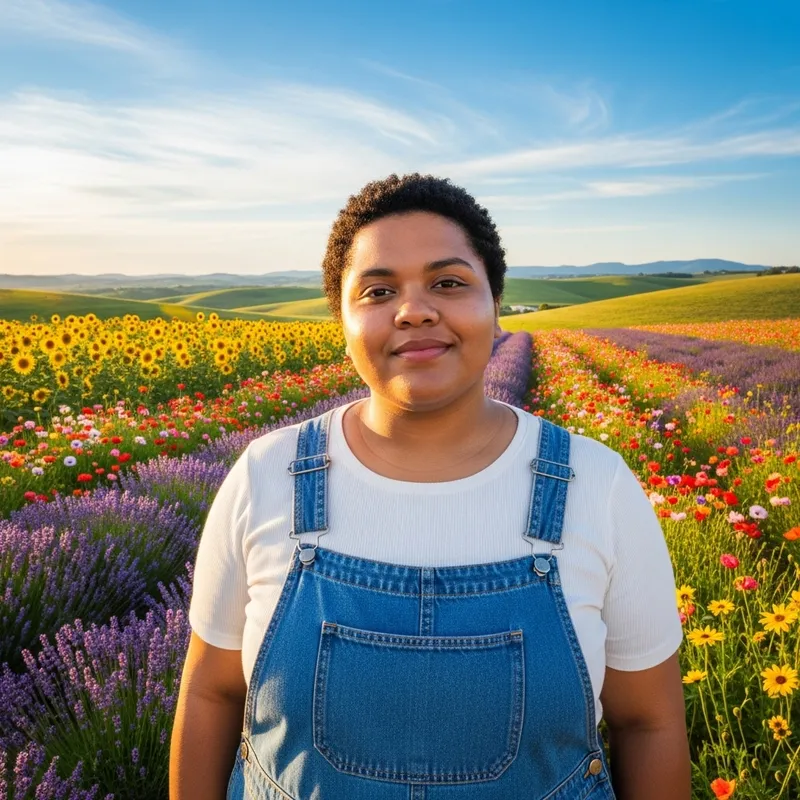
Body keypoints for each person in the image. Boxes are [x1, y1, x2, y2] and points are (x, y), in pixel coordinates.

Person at [169, 173, 690, 800]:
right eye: (378, 290)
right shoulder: (265, 474)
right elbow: (211, 692)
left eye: (448, 282)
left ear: (495, 301)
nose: (413, 310)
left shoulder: (595, 485)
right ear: (341, 318)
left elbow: (649, 722)